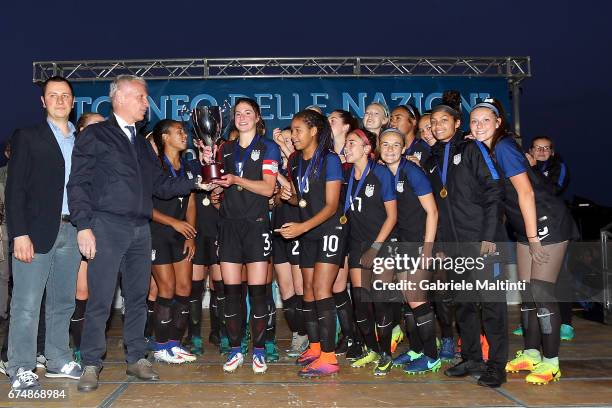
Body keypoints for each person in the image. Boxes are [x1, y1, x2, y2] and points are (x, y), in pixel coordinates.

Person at [68, 75, 206, 392]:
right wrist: (84, 225)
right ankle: (91, 363)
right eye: (142, 97)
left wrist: (198, 180)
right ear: (121, 98)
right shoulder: (97, 135)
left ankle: (136, 358)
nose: (147, 103)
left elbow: (162, 186)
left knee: (137, 299)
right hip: (106, 226)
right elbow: (78, 184)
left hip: (140, 230)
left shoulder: (142, 145)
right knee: (101, 299)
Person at [470, 99, 577, 385]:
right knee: (529, 295)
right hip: (524, 228)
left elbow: (526, 193)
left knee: (542, 294)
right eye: (474, 121)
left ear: (498, 122)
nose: (479, 125)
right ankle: (531, 352)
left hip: (546, 225)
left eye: (485, 120)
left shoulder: (503, 147)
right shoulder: (487, 150)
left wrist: (533, 238)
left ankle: (551, 362)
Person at [423, 91, 508, 388]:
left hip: (484, 241)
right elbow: (438, 207)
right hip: (455, 246)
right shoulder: (432, 160)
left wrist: (489, 237)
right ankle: (472, 356)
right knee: (464, 304)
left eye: (443, 120)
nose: (437, 125)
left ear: (457, 123)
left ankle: (497, 365)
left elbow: (495, 191)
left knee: (493, 306)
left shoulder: (472, 149)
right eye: (433, 122)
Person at [5, 76, 83, 390]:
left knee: (63, 301)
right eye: (53, 95)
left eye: (65, 95)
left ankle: (57, 359)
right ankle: (21, 366)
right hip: (35, 234)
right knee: (26, 303)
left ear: (74, 102)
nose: (60, 100)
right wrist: (19, 234)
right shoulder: (27, 137)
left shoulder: (84, 142)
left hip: (72, 231)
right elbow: (14, 191)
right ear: (43, 102)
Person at [203, 97, 281, 374]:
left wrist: (236, 180)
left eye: (248, 112)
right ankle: (236, 349)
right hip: (228, 227)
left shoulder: (268, 147)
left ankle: (259, 351)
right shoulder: (225, 149)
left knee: (259, 294)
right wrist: (216, 190)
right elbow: (219, 189)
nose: (242, 117)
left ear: (258, 117)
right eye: (238, 113)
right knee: (231, 294)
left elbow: (268, 188)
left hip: (257, 225)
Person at [278, 109, 345, 377]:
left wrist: (301, 226)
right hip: (308, 232)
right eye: (292, 131)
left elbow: (330, 206)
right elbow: (302, 198)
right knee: (307, 290)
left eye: (297, 130)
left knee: (320, 289)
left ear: (314, 131)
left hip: (330, 229)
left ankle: (329, 358)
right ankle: (316, 347)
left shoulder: (330, 160)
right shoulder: (295, 161)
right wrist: (289, 197)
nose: (293, 136)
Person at [377, 128, 441, 374]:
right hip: (401, 245)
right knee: (408, 300)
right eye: (386, 144)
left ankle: (432, 356)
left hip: (417, 244)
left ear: (404, 149)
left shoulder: (412, 171)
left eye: (396, 145)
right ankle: (417, 349)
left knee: (417, 300)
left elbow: (432, 212)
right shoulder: (383, 173)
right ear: (379, 147)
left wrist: (427, 249)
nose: (391, 149)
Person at [343, 128, 398, 376]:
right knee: (361, 304)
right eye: (346, 143)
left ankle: (386, 353)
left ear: (367, 149)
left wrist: (376, 247)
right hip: (357, 244)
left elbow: (392, 216)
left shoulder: (381, 174)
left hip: (381, 245)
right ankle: (372, 349)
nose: (346, 146)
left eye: (352, 143)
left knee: (379, 301)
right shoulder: (346, 175)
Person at [148, 119, 198, 364]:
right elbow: (145, 206)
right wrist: (174, 223)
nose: (184, 134)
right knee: (165, 289)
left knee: (184, 290)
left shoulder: (188, 166)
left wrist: (190, 233)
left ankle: (175, 344)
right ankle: (160, 346)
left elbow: (190, 201)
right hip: (157, 234)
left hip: (181, 235)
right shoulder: (154, 166)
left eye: (184, 131)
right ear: (165, 137)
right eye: (179, 131)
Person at [70, 112, 105, 363]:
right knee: (80, 293)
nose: (100, 131)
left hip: (105, 230)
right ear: (80, 131)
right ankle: (79, 348)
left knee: (97, 294)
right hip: (76, 227)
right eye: (94, 127)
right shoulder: (72, 156)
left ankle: (91, 347)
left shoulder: (108, 158)